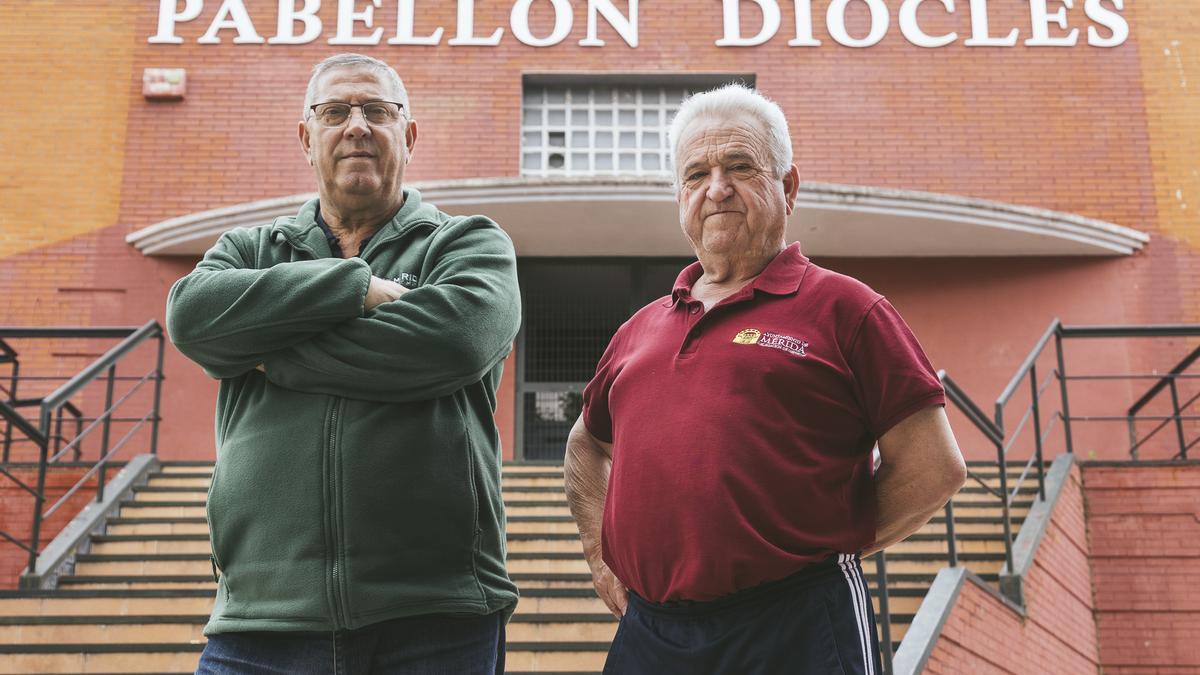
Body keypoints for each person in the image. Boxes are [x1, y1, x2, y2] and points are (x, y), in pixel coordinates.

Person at [564, 84, 967, 675]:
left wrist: (822, 543)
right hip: (652, 633)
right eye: (696, 173)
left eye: (740, 166)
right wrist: (600, 553)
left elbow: (935, 467)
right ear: (680, 196)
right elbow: (586, 442)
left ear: (788, 187)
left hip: (796, 624)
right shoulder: (639, 328)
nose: (717, 189)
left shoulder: (848, 309)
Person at [166, 53, 519, 674]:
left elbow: (452, 343)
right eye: (335, 112)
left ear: (408, 135)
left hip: (436, 617)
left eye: (377, 111)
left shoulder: (466, 243)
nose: (357, 126)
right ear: (307, 137)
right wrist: (354, 289)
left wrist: (268, 349)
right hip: (262, 620)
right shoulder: (249, 249)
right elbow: (192, 319)